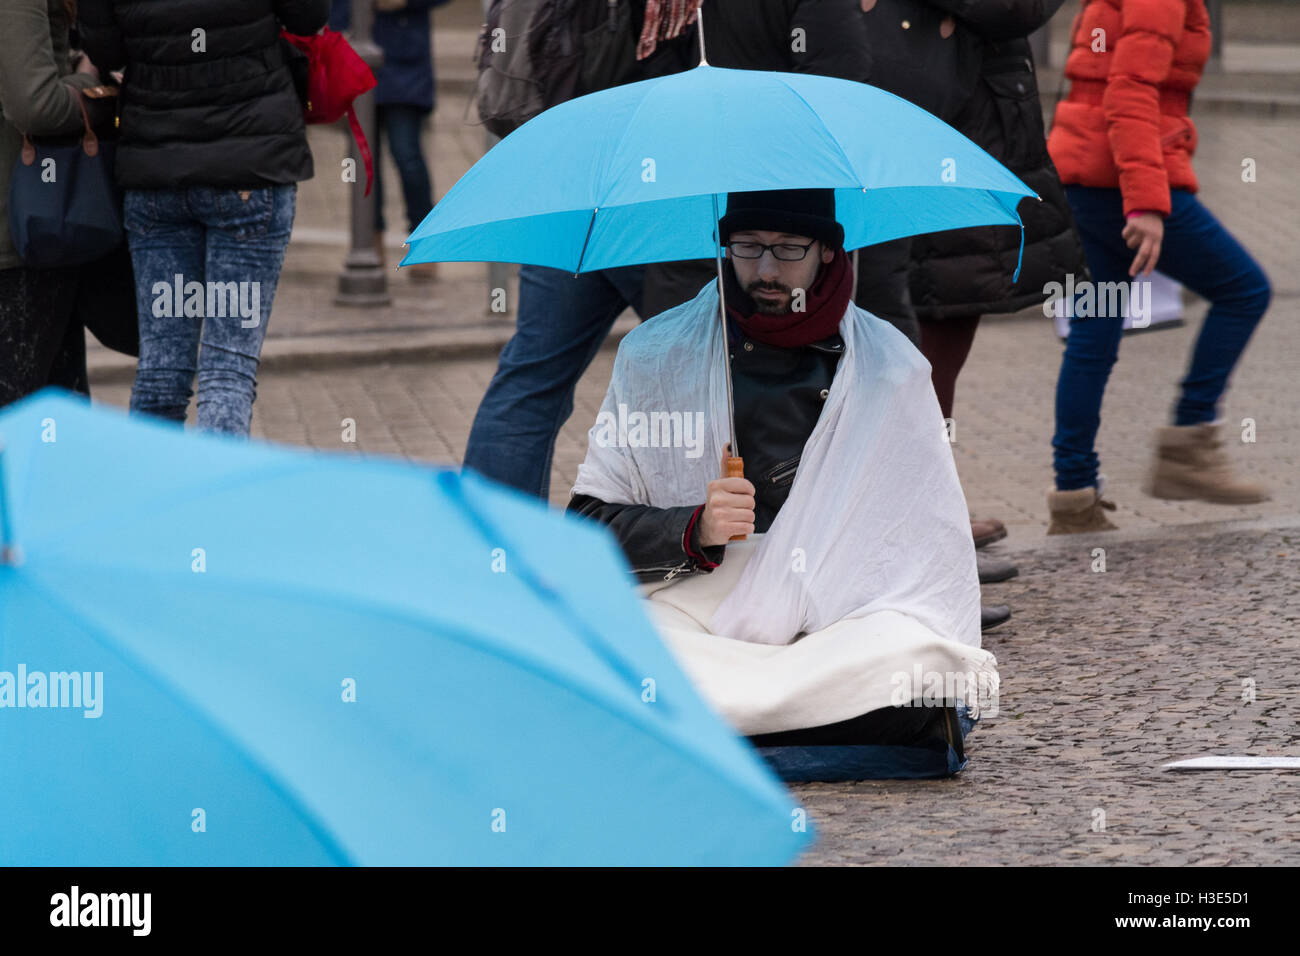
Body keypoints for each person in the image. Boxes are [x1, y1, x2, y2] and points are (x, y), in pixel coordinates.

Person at [568, 188, 998, 773]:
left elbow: (926, 555)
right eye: (746, 247)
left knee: (919, 663)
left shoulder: (891, 367)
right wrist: (694, 528)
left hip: (843, 620)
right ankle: (800, 719)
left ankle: (707, 725)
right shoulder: (657, 354)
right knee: (614, 643)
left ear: (826, 249)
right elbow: (585, 532)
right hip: (701, 614)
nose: (766, 269)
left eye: (788, 249)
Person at [1045, 0, 1271, 533]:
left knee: (1093, 334)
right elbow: (1128, 93)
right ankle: (1189, 446)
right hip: (1124, 181)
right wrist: (1145, 204)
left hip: (1085, 178)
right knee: (1245, 290)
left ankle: (1075, 497)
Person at [462, 0, 697, 498]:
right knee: (705, 370)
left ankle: (489, 546)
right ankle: (697, 542)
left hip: (567, 177)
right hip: (649, 192)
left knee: (532, 377)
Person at [79, 0, 330, 435]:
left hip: (156, 173)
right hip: (249, 169)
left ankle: (153, 500)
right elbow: (309, 17)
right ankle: (216, 501)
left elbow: (106, 49)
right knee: (227, 369)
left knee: (161, 371)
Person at [0, 0, 106, 408]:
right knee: (34, 420)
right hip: (24, 228)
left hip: (31, 227)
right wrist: (94, 86)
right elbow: (35, 103)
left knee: (57, 421)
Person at [329, 0, 446, 280]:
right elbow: (333, 15)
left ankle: (424, 242)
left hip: (405, 64)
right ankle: (369, 238)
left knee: (407, 155)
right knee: (363, 160)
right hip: (357, 59)